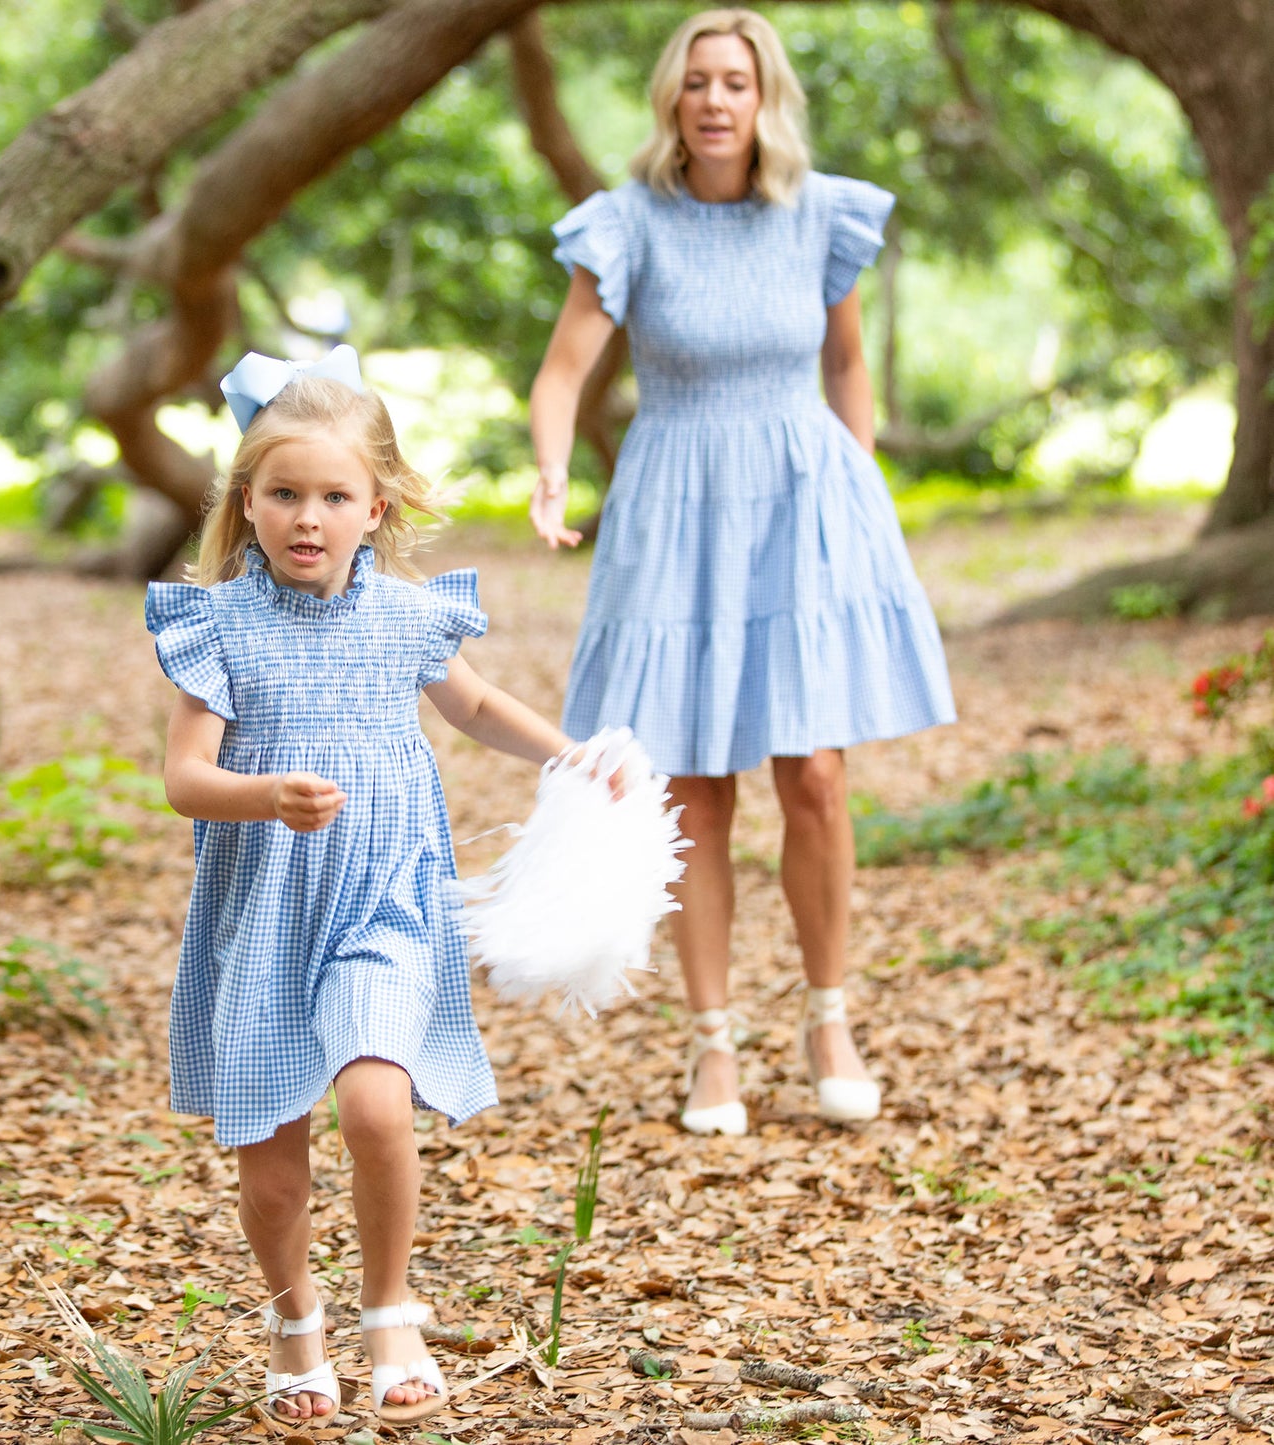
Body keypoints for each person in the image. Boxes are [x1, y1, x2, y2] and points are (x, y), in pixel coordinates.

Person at [528, 9, 956, 1137]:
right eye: (697, 83)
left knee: (811, 771)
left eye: (738, 82)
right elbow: (564, 371)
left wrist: (856, 487)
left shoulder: (821, 216)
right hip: (673, 508)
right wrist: (547, 471)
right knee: (693, 790)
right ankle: (712, 1044)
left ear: (767, 101)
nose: (716, 101)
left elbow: (847, 359)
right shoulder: (625, 225)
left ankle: (828, 1020)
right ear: (671, 99)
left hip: (798, 500)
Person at [146, 346, 576, 1427]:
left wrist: (570, 754)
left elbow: (474, 708)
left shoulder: (404, 616)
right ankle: (295, 1321)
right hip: (263, 913)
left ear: (373, 505)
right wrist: (262, 794)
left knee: (379, 1104)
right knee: (274, 1160)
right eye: (284, 493)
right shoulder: (218, 622)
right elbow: (185, 778)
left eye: (333, 495)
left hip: (382, 897)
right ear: (245, 502)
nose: (307, 516)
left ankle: (389, 1308)